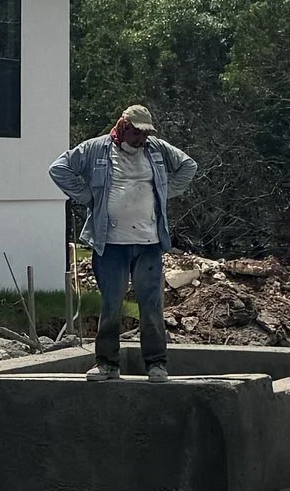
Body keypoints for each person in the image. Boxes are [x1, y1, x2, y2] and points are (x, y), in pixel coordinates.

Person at [49, 104, 199, 378]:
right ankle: (107, 363)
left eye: (145, 134)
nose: (142, 139)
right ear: (122, 127)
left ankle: (156, 364)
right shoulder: (95, 149)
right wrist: (87, 197)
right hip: (111, 245)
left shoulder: (156, 148)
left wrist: (165, 192)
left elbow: (188, 165)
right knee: (111, 305)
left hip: (149, 243)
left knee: (151, 306)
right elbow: (59, 168)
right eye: (137, 133)